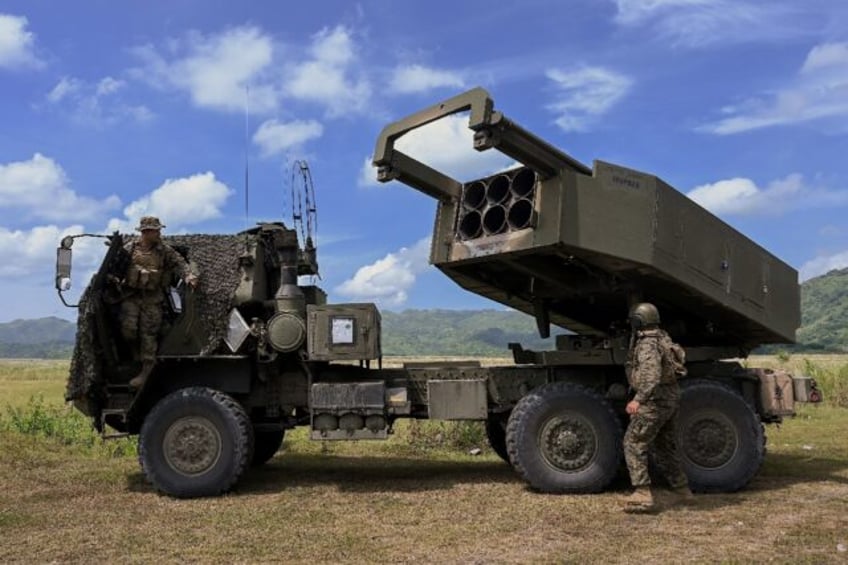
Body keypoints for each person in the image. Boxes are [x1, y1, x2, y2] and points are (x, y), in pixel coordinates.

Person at [622, 302, 693, 513]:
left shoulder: (647, 345)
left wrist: (638, 400)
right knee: (664, 445)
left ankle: (642, 494)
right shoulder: (663, 338)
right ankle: (682, 490)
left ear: (638, 321)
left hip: (654, 401)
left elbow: (650, 377)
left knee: (633, 442)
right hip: (670, 398)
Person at [121, 216, 198, 389]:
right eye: (156, 230)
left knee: (149, 334)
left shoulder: (163, 250)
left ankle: (146, 371)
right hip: (131, 296)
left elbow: (179, 262)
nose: (159, 233)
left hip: (153, 298)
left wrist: (188, 275)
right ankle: (135, 356)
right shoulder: (130, 249)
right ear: (146, 232)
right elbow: (117, 266)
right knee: (129, 330)